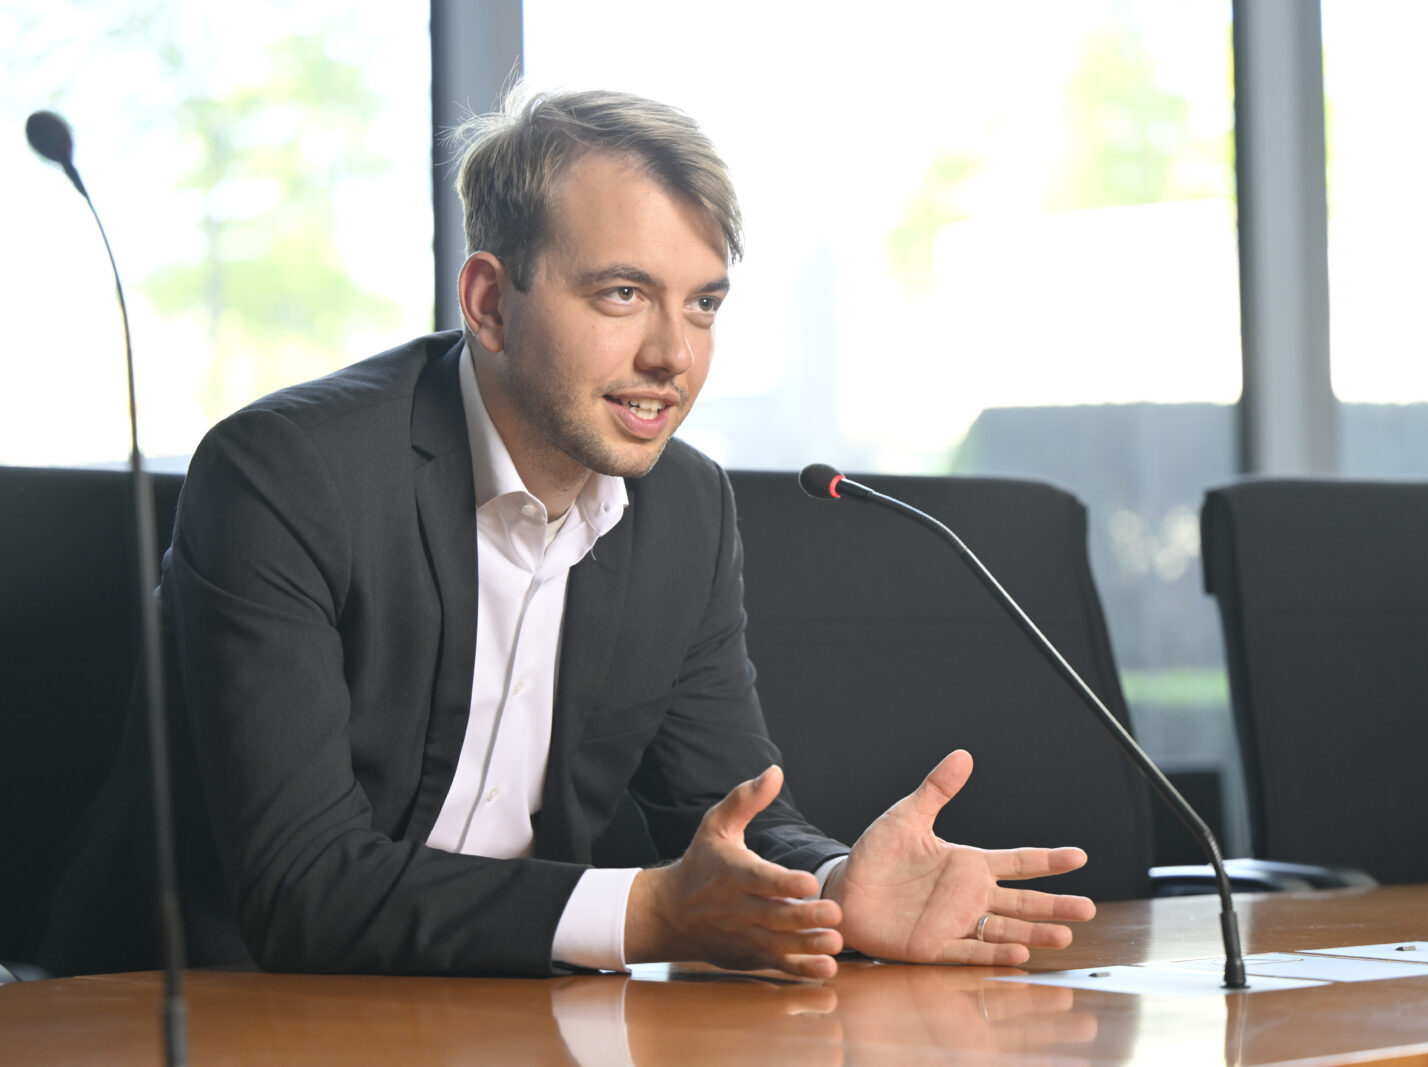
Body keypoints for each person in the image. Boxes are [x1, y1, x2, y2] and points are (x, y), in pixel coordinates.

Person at [41, 84, 1095, 979]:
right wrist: (648, 915)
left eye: (703, 304)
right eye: (623, 293)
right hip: (208, 1009)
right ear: (492, 303)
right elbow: (300, 886)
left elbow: (720, 808)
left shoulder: (685, 505)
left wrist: (827, 885)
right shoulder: (289, 474)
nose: (672, 356)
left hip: (511, 1009)